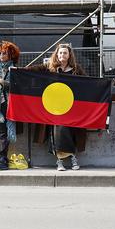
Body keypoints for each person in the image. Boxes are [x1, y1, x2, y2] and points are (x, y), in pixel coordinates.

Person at [47, 43, 86, 171]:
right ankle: (60, 160)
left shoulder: (76, 70)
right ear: (57, 55)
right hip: (55, 107)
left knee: (70, 130)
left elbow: (88, 82)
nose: (62, 55)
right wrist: (17, 71)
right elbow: (34, 70)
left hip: (72, 107)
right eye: (60, 53)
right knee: (58, 130)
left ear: (69, 55)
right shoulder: (50, 69)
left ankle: (71, 157)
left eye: (65, 53)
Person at [0, 40, 20, 170]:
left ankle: (2, 158)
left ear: (11, 55)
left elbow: (15, 85)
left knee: (2, 132)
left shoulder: (13, 69)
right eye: (0, 53)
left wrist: (1, 81)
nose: (2, 55)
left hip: (5, 104)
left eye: (5, 53)